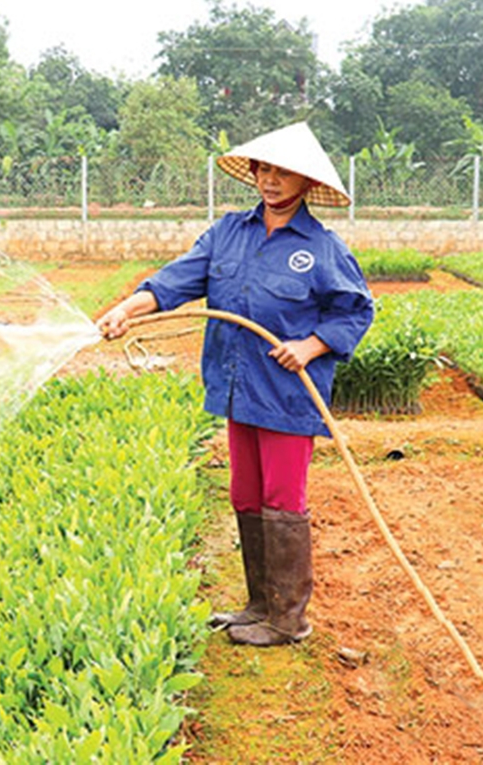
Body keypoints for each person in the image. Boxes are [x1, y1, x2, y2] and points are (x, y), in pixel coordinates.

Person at [96, 122, 374, 647]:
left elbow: (355, 311)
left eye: (283, 172)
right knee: (246, 493)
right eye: (264, 169)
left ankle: (288, 620)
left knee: (282, 498)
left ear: (307, 183)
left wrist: (310, 346)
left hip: (287, 393)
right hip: (237, 387)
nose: (270, 180)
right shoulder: (227, 233)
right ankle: (259, 605)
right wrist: (127, 309)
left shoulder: (322, 248)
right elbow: (176, 280)